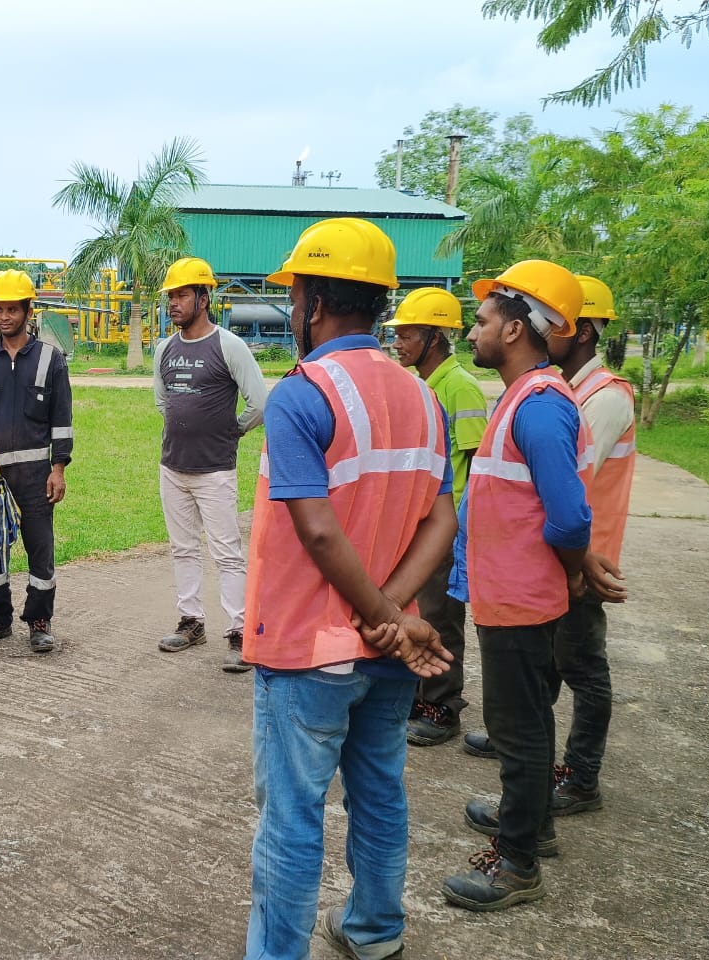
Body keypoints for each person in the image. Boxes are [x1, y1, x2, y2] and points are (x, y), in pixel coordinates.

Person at [242, 218, 457, 960]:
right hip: (390, 651)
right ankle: (373, 931)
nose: (292, 307)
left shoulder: (303, 396)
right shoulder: (422, 396)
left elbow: (321, 533)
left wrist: (377, 615)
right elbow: (442, 517)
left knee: (293, 817)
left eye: (294, 292)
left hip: (307, 650)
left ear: (314, 301)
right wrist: (395, 616)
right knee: (378, 794)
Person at [440, 261, 627, 912]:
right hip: (508, 594)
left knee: (518, 730)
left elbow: (571, 514)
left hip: (521, 601)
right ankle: (533, 823)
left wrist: (579, 565)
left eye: (485, 318)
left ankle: (517, 864)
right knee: (524, 723)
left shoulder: (542, 406)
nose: (474, 327)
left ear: (516, 327)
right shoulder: (524, 396)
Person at [383, 288, 488, 745]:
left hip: (444, 527)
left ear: (435, 336)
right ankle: (415, 695)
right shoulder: (416, 385)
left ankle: (444, 705)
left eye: (407, 335)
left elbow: (476, 465)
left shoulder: (458, 386)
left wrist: (455, 530)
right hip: (414, 522)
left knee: (442, 618)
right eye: (398, 334)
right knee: (413, 610)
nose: (398, 343)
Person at [152, 256, 267, 672]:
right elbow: (163, 401)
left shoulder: (228, 346)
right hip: (173, 466)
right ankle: (190, 621)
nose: (174, 303)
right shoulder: (165, 348)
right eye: (171, 296)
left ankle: (239, 632)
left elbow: (259, 403)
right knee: (182, 548)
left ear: (204, 297)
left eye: (183, 295)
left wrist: (230, 431)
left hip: (215, 470)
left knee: (227, 552)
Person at [0, 269, 73, 653]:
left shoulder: (50, 361)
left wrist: (59, 469)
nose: (4, 316)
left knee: (40, 549)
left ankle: (39, 620)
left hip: (37, 475)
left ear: (28, 311)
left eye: (12, 309)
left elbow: (62, 420)